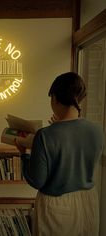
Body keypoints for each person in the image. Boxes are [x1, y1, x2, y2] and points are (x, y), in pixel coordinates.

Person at [15, 72, 104, 236]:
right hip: (89, 201)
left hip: (57, 206)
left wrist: (24, 154)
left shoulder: (45, 135)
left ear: (55, 98)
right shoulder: (97, 130)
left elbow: (37, 180)